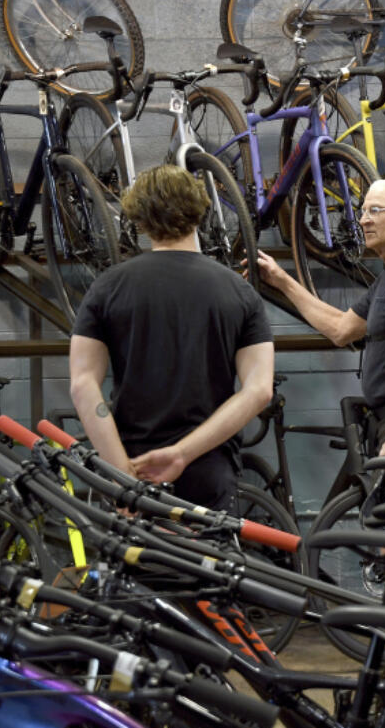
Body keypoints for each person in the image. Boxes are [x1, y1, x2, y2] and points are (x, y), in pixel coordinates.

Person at [69, 164, 274, 512]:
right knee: (207, 566)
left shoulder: (108, 287)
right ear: (199, 212)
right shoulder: (239, 292)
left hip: (133, 463)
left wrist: (121, 474)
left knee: (135, 565)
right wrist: (182, 453)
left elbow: (83, 384)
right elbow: (259, 390)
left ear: (139, 220)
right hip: (207, 467)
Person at [253, 178, 385, 457]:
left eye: (375, 211)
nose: (363, 221)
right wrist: (281, 280)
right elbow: (341, 329)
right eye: (363, 212)